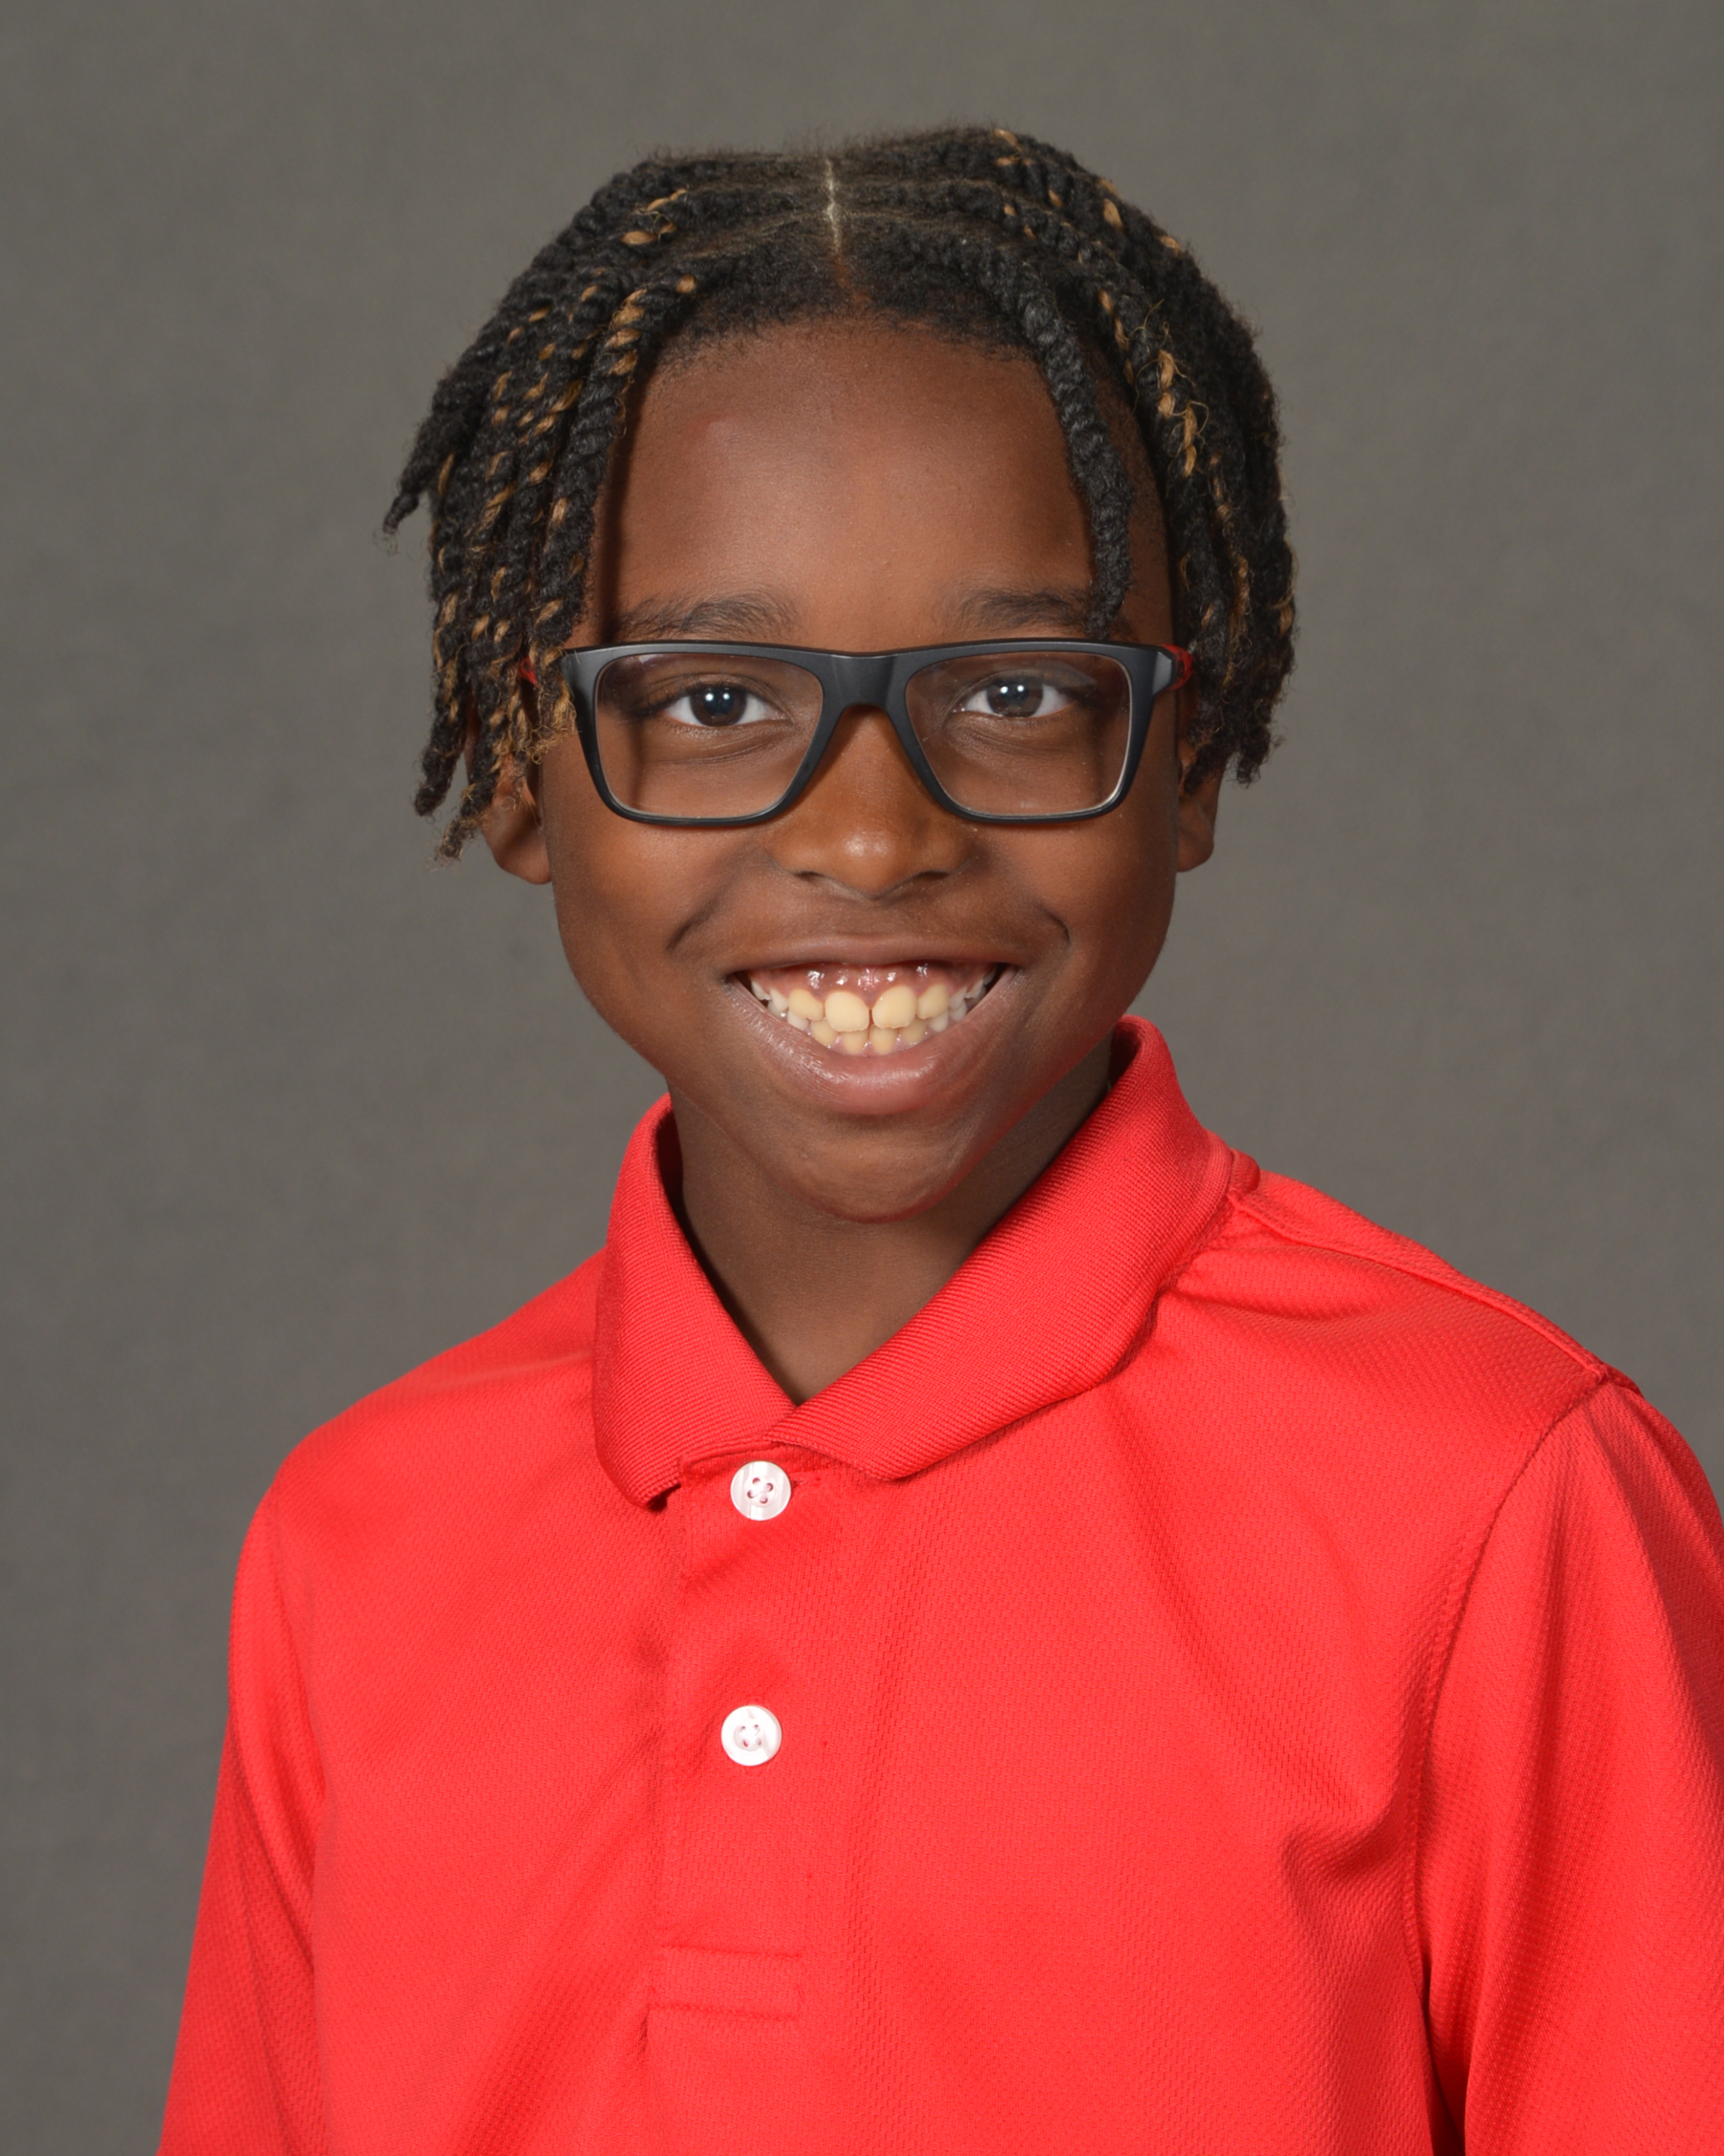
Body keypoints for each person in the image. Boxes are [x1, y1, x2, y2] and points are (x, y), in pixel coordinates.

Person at [159, 129, 1724, 2153]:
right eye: (711, 702)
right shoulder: (356, 1543)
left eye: (1014, 691)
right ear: (526, 777)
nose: (873, 832)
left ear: (1185, 759)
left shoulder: (1497, 1501)